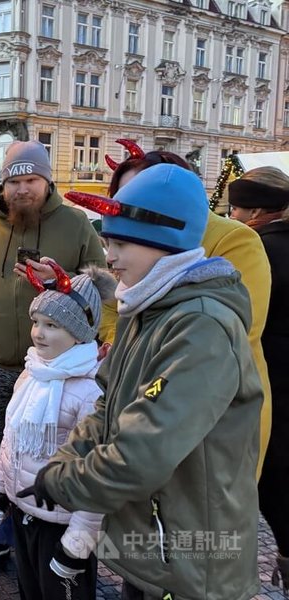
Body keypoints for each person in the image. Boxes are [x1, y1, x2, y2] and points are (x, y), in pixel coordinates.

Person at [25, 164, 263, 600]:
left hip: (195, 562)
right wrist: (64, 460)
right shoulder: (148, 308)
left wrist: (62, 482)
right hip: (157, 546)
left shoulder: (201, 326)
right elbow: (108, 404)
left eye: (119, 243)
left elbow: (142, 452)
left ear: (162, 244)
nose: (108, 257)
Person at [0, 140, 105, 581]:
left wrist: (64, 279)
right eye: (14, 181)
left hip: (61, 373)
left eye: (31, 181)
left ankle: (59, 541)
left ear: (47, 180)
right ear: (3, 184)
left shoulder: (75, 224)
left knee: (60, 458)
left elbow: (106, 288)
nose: (22, 190)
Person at [106, 147, 273, 478]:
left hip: (217, 411)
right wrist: (116, 342)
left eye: (140, 196)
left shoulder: (235, 238)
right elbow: (117, 306)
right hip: (150, 407)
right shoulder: (129, 241)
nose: (131, 211)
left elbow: (239, 326)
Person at [0, 263, 115, 600]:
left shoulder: (91, 392)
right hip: (25, 510)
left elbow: (97, 475)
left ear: (80, 333)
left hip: (63, 524)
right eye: (36, 322)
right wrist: (0, 488)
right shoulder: (32, 373)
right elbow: (11, 438)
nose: (38, 333)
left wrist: (78, 542)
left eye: (52, 325)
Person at [227, 167, 289, 593]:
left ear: (252, 211)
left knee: (273, 482)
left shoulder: (255, 250)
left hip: (272, 389)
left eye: (235, 207)